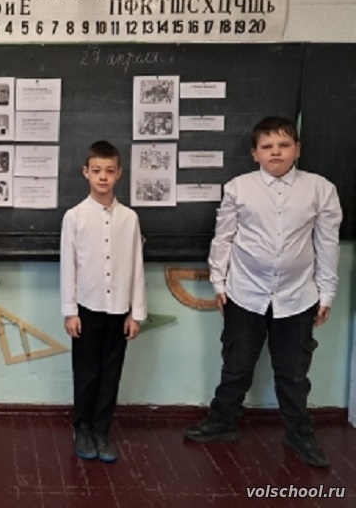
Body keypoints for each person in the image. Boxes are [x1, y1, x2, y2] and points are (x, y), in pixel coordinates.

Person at [184, 116, 342, 468]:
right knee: (237, 364)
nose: (276, 152)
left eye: (284, 145)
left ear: (297, 149)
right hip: (244, 293)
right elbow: (223, 239)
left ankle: (299, 432)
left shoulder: (321, 189)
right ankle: (223, 421)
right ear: (255, 153)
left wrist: (327, 293)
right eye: (267, 146)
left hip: (298, 296)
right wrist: (219, 283)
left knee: (294, 371)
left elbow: (327, 244)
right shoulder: (238, 188)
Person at [60, 140, 147, 463]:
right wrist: (70, 311)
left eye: (109, 171)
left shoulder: (129, 218)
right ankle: (82, 428)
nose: (103, 177)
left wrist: (136, 313)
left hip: (119, 309)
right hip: (87, 308)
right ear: (86, 172)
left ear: (119, 173)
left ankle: (102, 430)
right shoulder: (75, 217)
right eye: (96, 170)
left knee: (111, 373)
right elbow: (68, 266)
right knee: (87, 373)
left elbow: (136, 265)